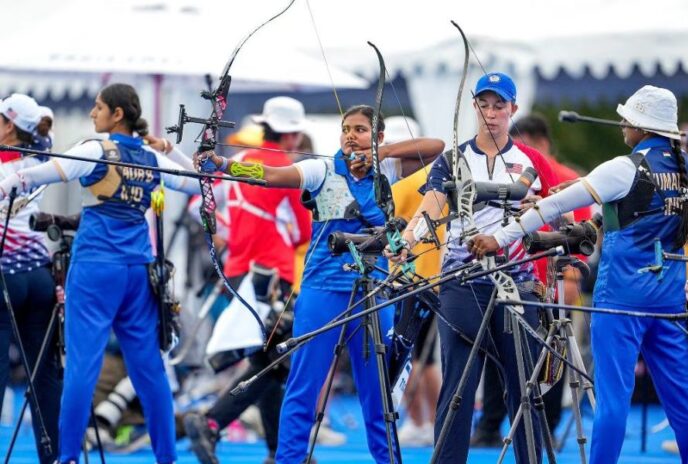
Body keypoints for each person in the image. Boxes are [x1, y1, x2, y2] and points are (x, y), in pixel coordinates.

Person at [197, 104, 444, 463]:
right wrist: (224, 166)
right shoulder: (322, 169)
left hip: (372, 293)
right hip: (322, 290)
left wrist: (382, 154)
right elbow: (269, 174)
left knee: (378, 394)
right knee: (303, 386)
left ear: (376, 138)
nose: (350, 135)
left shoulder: (387, 169)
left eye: (360, 130)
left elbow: (434, 148)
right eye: (346, 128)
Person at [470, 85, 688, 464]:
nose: (623, 123)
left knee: (611, 400)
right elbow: (632, 206)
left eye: (629, 118)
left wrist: (499, 237)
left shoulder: (625, 167)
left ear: (641, 126)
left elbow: (555, 207)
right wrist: (584, 202)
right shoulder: (681, 166)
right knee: (685, 399)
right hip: (668, 298)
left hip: (622, 299)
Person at [0, 83, 201, 464]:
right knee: (150, 370)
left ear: (117, 114)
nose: (92, 113)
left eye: (97, 107)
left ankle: (70, 457)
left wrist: (11, 183)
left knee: (81, 367)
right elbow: (198, 185)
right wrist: (170, 150)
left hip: (95, 271)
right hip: (138, 273)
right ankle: (168, 459)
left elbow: (40, 175)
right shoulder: (151, 158)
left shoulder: (95, 149)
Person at [388, 72, 559, 463]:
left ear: (513, 109)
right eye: (484, 104)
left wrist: (538, 215)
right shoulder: (453, 158)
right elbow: (431, 205)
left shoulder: (532, 161)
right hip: (462, 285)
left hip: (517, 285)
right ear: (474, 108)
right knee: (459, 387)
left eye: (500, 105)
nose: (491, 113)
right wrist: (407, 242)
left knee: (523, 389)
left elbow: (555, 215)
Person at [183, 96, 313, 464]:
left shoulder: (239, 160)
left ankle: (280, 452)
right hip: (272, 275)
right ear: (291, 135)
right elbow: (304, 232)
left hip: (238, 271)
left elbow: (200, 204)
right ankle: (211, 422)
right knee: (273, 361)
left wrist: (225, 232)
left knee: (269, 358)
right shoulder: (288, 169)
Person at [471, 113, 593, 446]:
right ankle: (490, 425)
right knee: (498, 349)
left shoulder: (567, 181)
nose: (518, 152)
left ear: (539, 144)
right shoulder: (507, 175)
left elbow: (582, 236)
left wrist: (568, 277)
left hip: (552, 282)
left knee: (550, 358)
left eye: (523, 145)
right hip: (509, 279)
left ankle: (546, 429)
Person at [0, 93, 61, 464]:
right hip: (38, 279)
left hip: (4, 277)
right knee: (45, 377)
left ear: (9, 125)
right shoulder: (41, 156)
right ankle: (53, 458)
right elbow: (42, 129)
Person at [383, 115, 442, 447]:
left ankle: (429, 421)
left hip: (423, 277)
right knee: (413, 355)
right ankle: (422, 421)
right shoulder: (404, 176)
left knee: (419, 357)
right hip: (406, 277)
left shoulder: (417, 176)